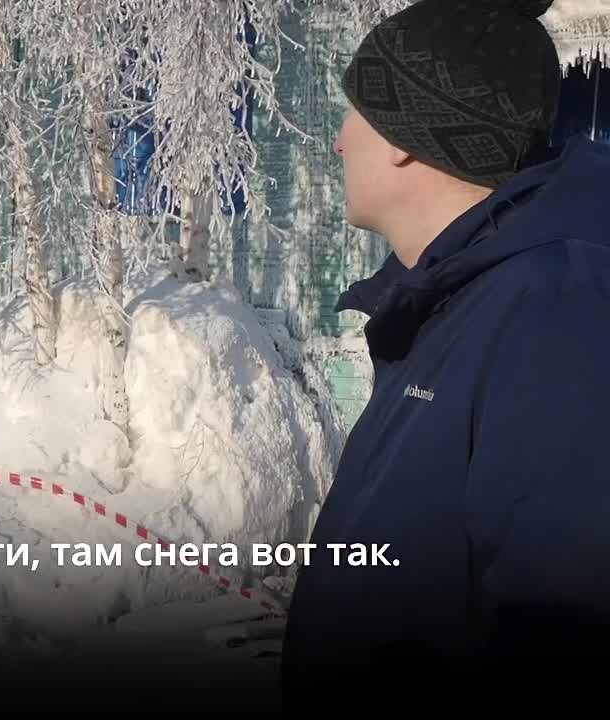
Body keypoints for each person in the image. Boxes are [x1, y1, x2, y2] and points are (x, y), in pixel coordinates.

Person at [281, 0, 610, 709]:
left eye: (355, 112)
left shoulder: (554, 312)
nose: (338, 142)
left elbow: (563, 641)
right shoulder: (451, 299)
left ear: (405, 135)